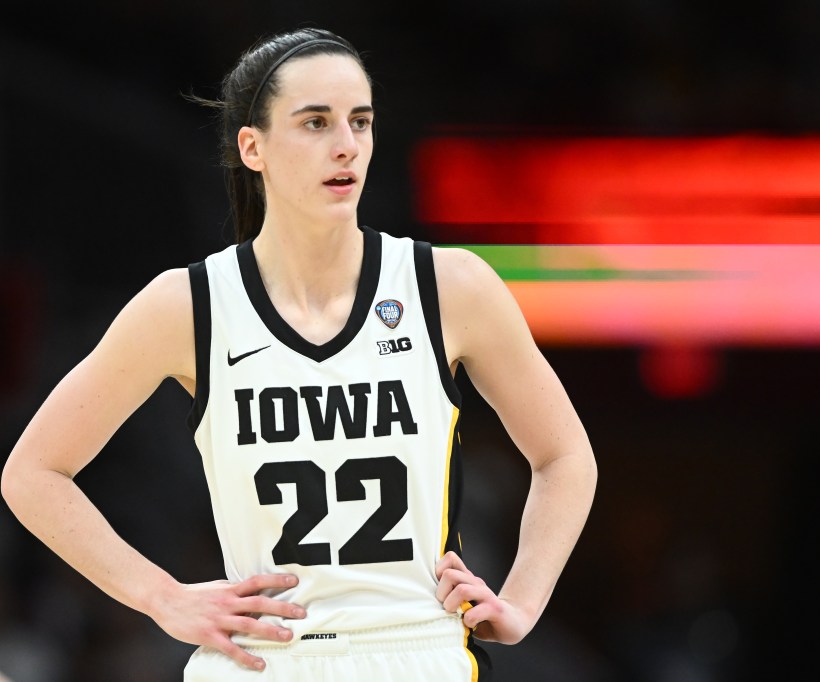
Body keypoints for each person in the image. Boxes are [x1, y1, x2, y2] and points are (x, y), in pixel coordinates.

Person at [1, 27, 597, 681]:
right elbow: (33, 473)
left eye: (360, 122)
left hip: (416, 651)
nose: (346, 145)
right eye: (315, 122)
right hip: (265, 658)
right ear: (251, 147)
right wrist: (161, 597)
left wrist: (523, 600)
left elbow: (564, 456)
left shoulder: (448, 288)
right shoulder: (189, 304)